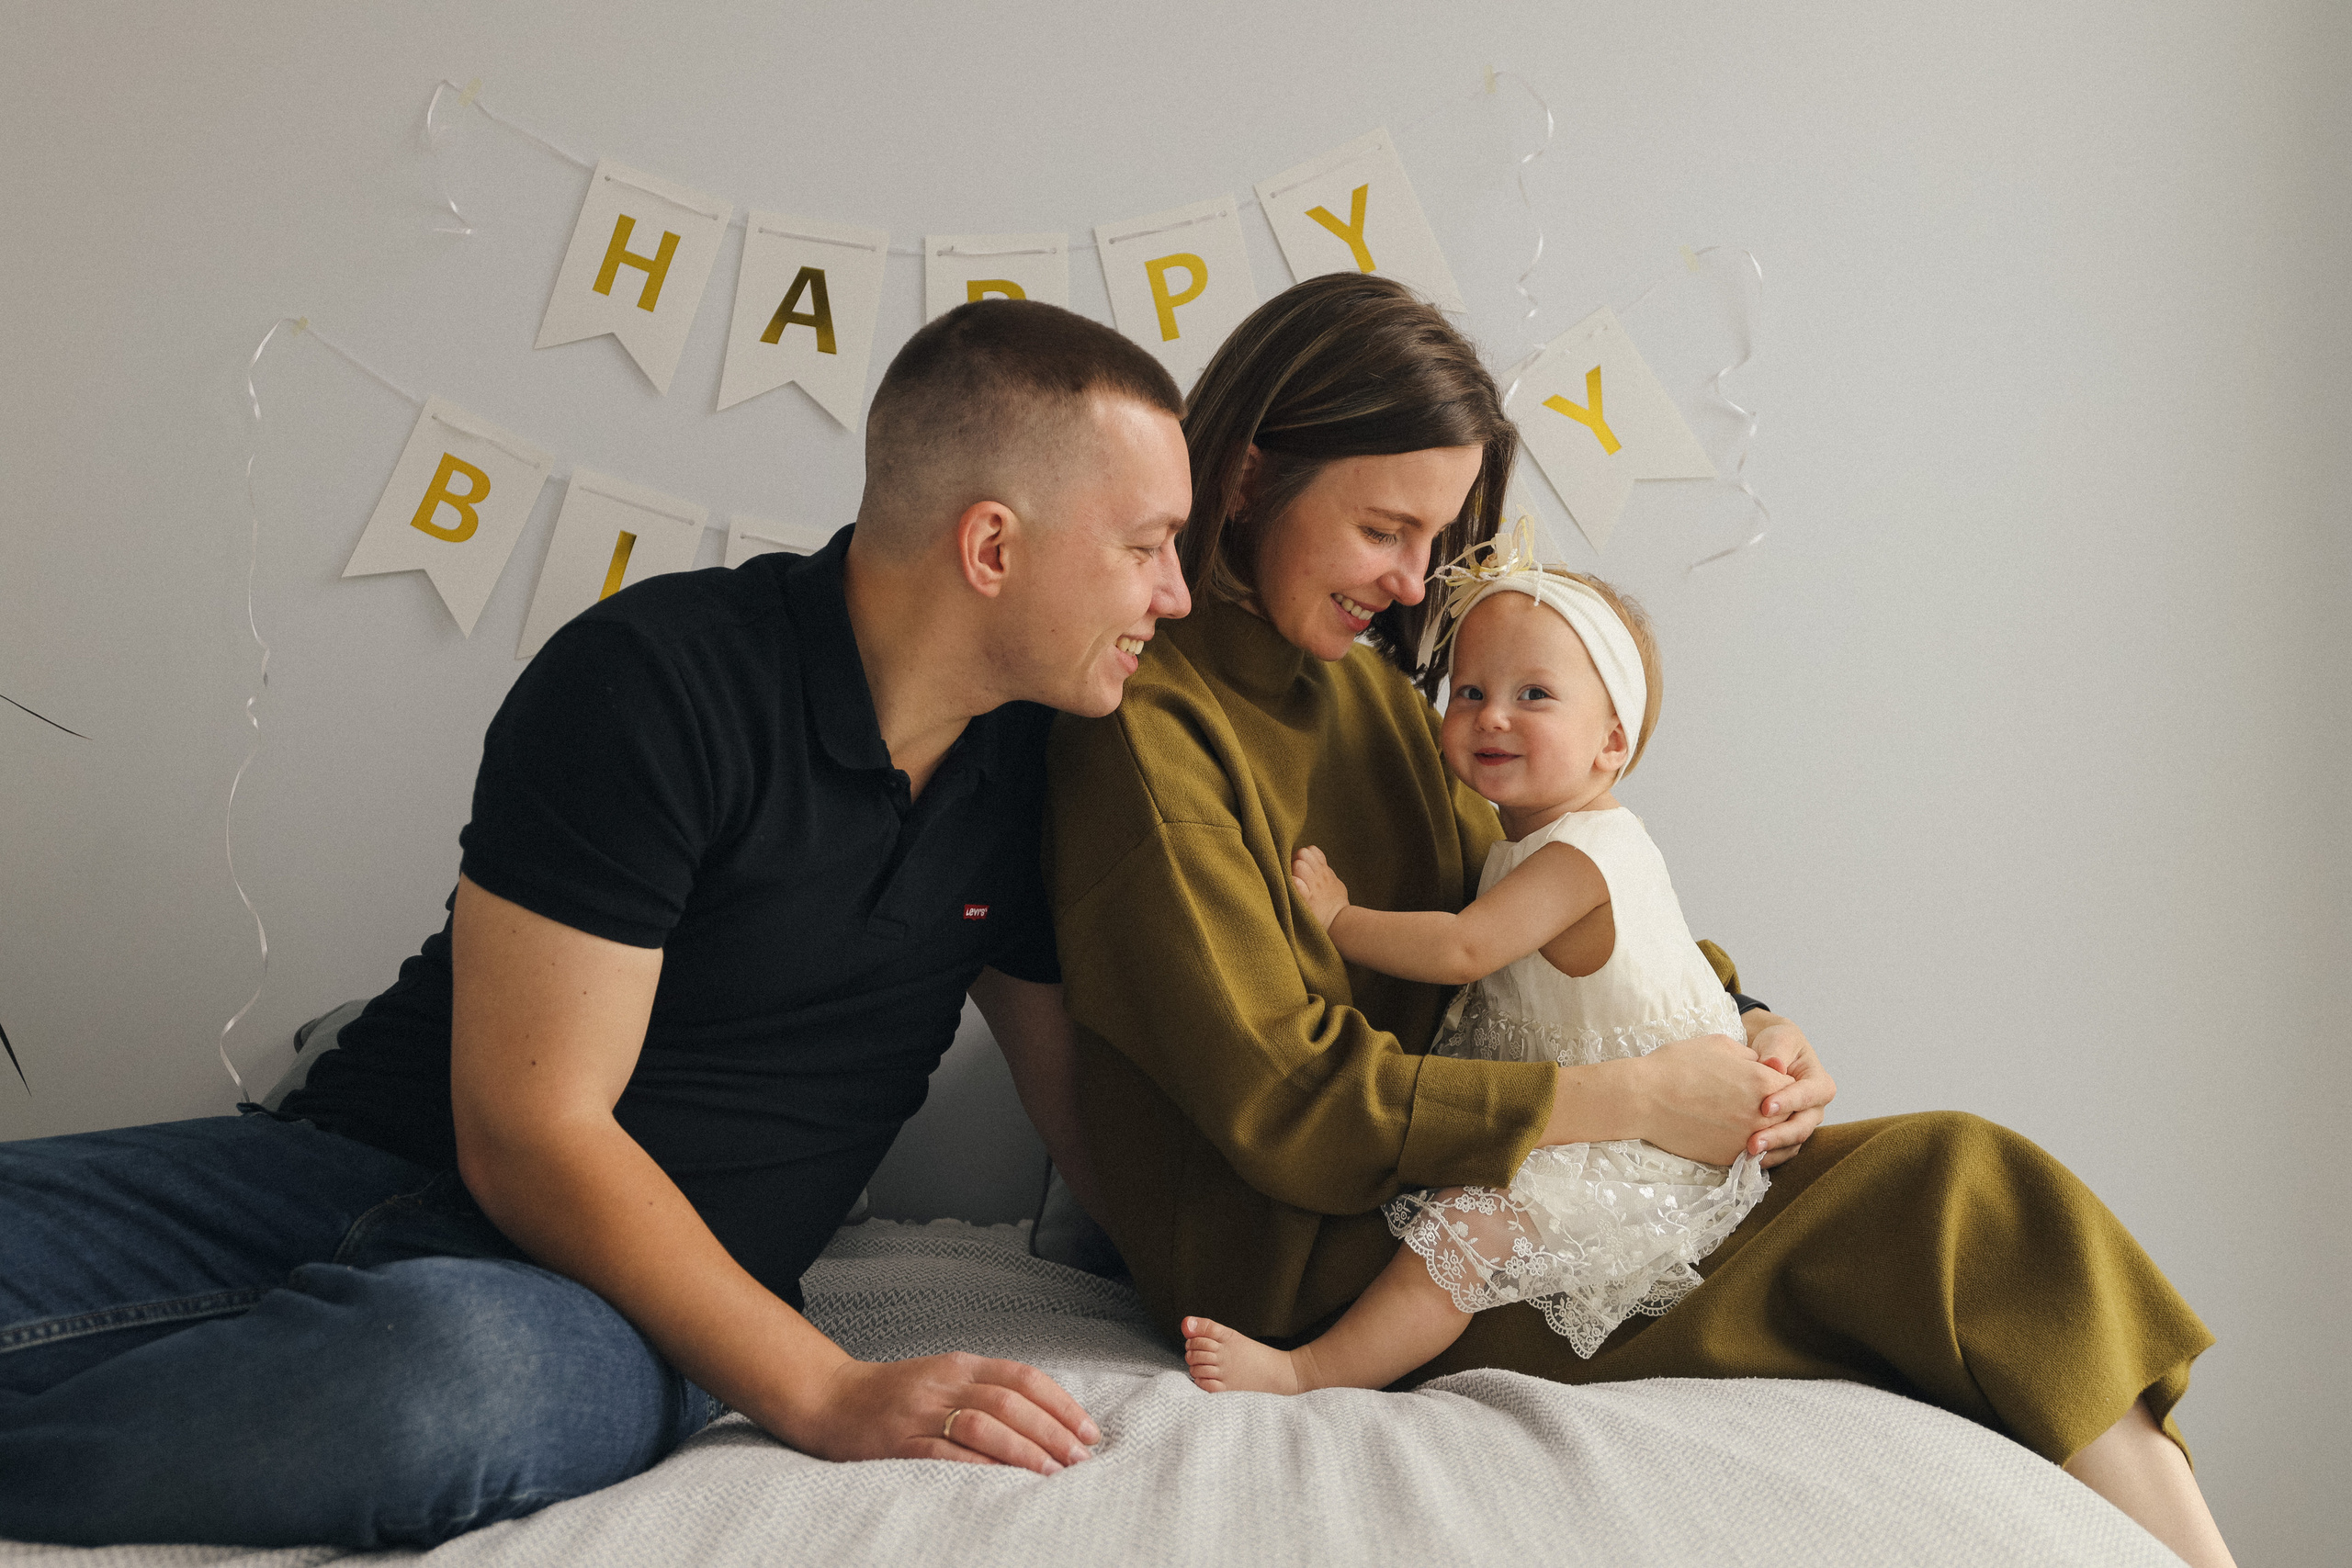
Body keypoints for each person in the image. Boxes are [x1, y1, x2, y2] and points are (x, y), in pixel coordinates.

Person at [1042, 273, 2237, 1567]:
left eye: (1434, 540)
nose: (1411, 583)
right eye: (1385, 529)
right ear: (1247, 479)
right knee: (1957, 1208)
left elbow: (1546, 905)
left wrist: (1748, 1026)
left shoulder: (1374, 700)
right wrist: (1636, 1098)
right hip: (1338, 1268)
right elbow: (1290, 1104)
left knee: (1973, 1183)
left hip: (1511, 1174)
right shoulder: (1147, 734)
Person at [0, 299, 1193, 1549]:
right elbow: (532, 1132)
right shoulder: (659, 676)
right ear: (992, 546)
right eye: (1146, 546)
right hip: (353, 1170)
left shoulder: (1038, 775)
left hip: (623, 1301)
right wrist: (829, 1388)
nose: (1170, 593)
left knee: (458, 1378)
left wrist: (1274, 1319)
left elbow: (1087, 1114)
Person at [1182, 547, 1775, 1393]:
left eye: (1533, 695)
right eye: (1469, 691)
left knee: (1467, 1227)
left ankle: (1305, 1371)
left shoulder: (1582, 854)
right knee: (1457, 1206)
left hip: (1653, 1143)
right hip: (1611, 1111)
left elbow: (1465, 948)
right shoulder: (1533, 841)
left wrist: (1341, 921)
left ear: (1612, 740)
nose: (1492, 715)